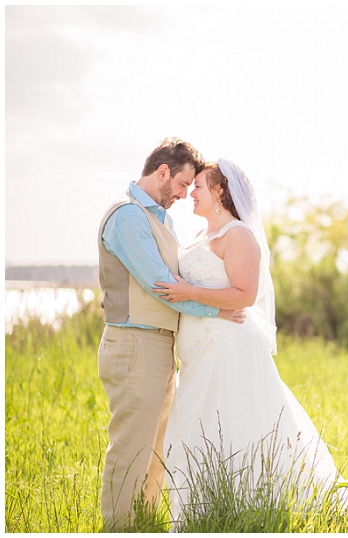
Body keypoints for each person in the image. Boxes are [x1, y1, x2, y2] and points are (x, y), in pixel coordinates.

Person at [156, 159, 348, 528]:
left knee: (231, 423)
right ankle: (201, 510)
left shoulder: (238, 236)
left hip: (228, 348)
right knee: (197, 427)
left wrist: (188, 290)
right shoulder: (198, 238)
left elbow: (244, 295)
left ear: (221, 192)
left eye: (200, 187)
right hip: (197, 353)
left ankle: (247, 505)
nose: (192, 193)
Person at [96, 138, 244, 531]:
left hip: (159, 345)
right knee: (131, 446)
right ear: (162, 172)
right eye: (181, 184)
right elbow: (162, 284)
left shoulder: (162, 219)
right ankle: (119, 527)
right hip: (134, 343)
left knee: (156, 448)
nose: (183, 194)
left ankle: (143, 522)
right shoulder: (128, 217)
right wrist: (217, 308)